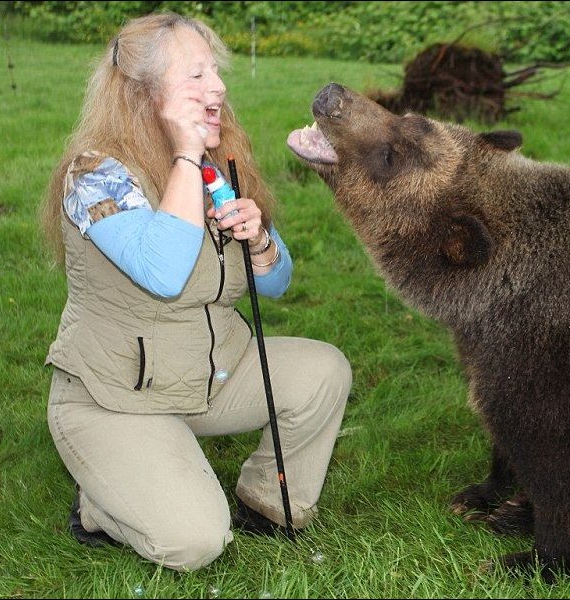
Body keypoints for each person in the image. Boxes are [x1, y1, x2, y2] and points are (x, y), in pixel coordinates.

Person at [40, 12, 352, 572]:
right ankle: (101, 502)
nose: (219, 88)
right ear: (142, 95)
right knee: (196, 541)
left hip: (209, 376)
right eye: (196, 76)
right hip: (114, 397)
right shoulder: (96, 176)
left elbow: (278, 285)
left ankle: (267, 501)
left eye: (217, 73)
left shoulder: (216, 169)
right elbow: (161, 271)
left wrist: (259, 240)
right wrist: (185, 157)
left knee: (324, 370)